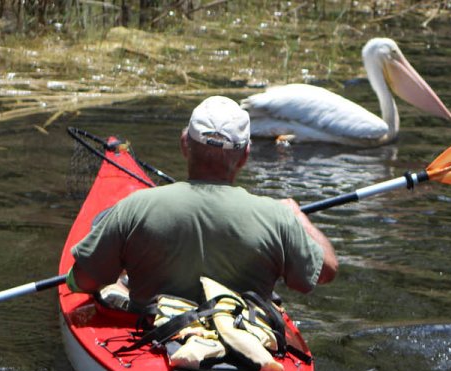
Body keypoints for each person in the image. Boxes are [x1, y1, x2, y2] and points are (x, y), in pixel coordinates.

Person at [66, 96, 338, 313]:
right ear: (244, 156)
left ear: (185, 145)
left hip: (155, 340)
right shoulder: (279, 217)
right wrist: (298, 215)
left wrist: (121, 272)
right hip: (245, 349)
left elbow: (82, 281)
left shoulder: (134, 207)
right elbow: (325, 272)